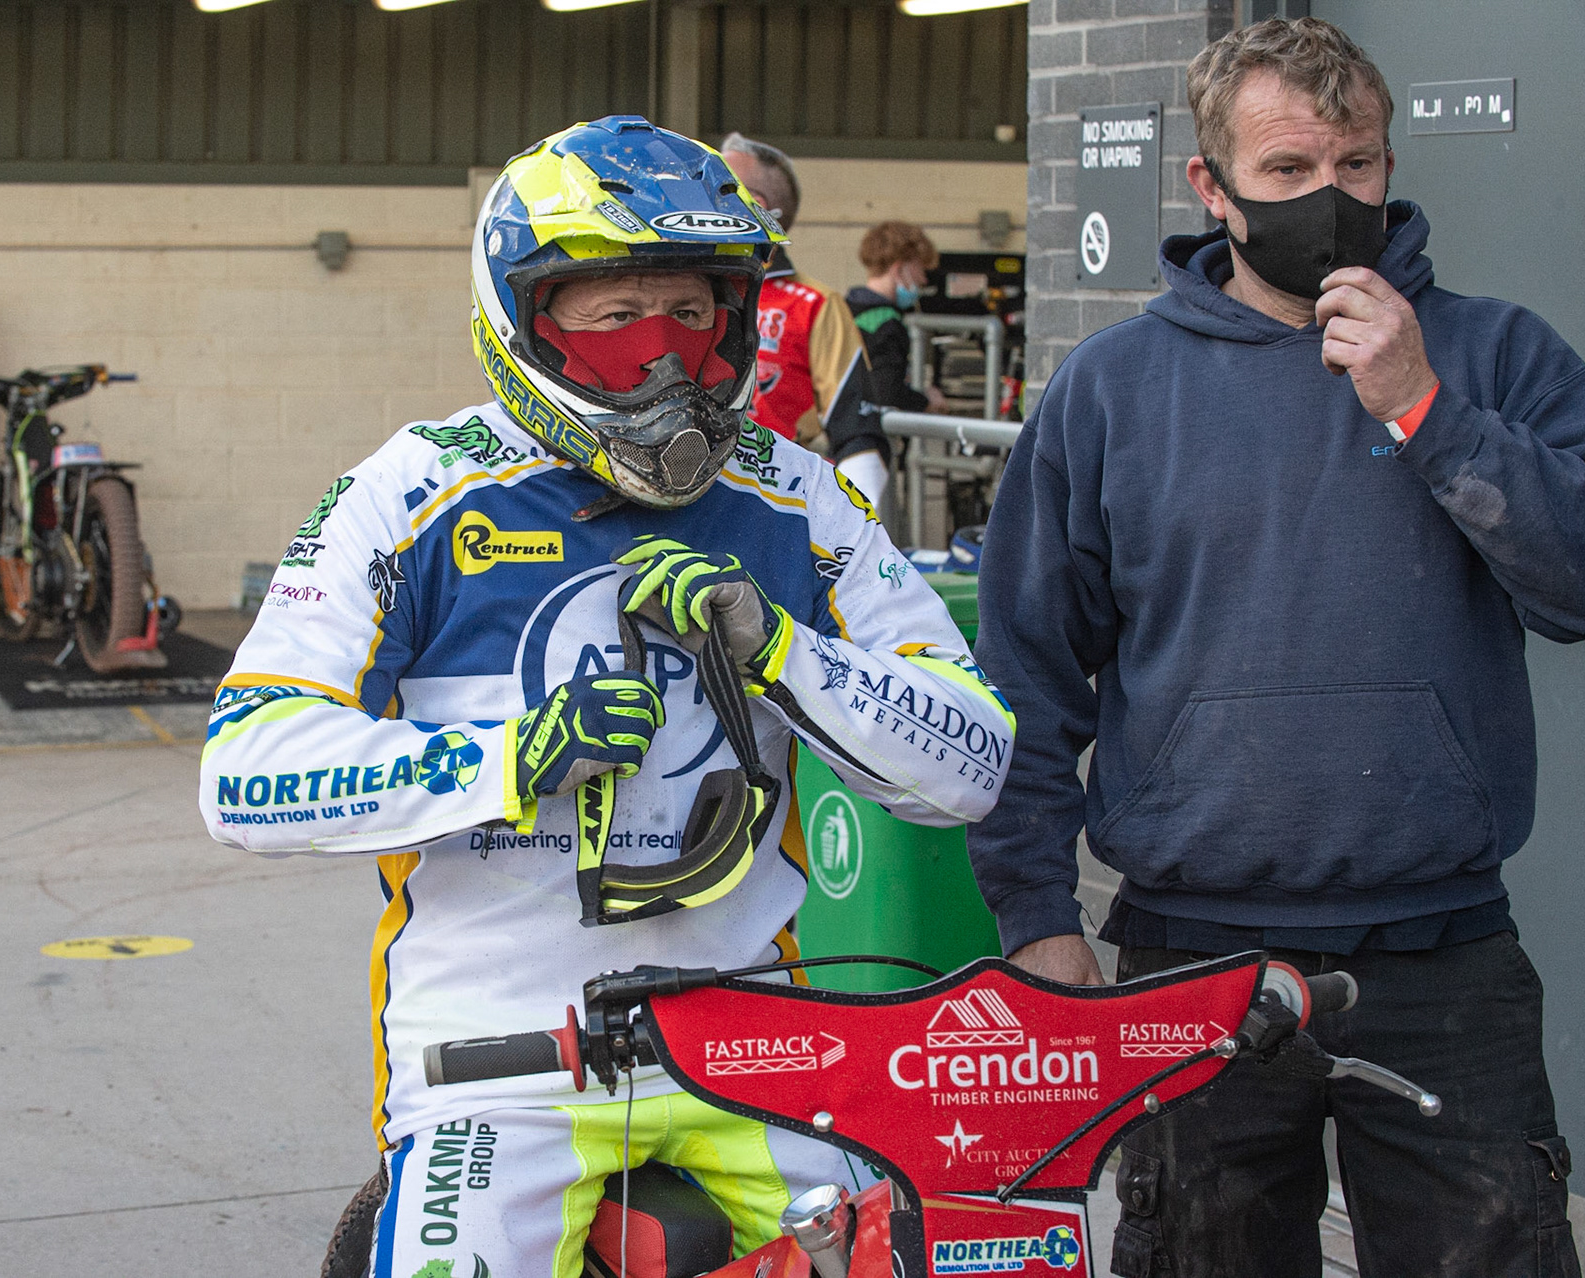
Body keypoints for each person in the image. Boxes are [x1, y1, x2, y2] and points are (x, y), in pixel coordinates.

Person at [200, 115, 1015, 1278]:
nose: (663, 355)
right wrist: (508, 757)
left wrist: (785, 653)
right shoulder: (413, 492)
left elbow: (975, 764)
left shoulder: (799, 496)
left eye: (691, 311)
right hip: (500, 1059)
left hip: (753, 1042)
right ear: (527, 315)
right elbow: (242, 772)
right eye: (615, 314)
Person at [968, 17, 1585, 1278]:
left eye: (1360, 166)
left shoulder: (1496, 354)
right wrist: (1034, 913)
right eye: (1287, 173)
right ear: (1209, 187)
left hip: (1446, 955)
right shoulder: (1111, 390)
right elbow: (1026, 670)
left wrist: (1427, 410)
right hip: (1192, 954)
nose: (1331, 200)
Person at [717, 133, 890, 508]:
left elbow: (858, 434)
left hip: (773, 501)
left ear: (755, 204)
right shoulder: (681, 291)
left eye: (715, 185)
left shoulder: (816, 305)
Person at [845, 220, 949, 420]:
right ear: (899, 269)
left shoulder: (844, 308)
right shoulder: (887, 323)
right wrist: (926, 401)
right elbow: (886, 393)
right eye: (920, 269)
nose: (923, 280)